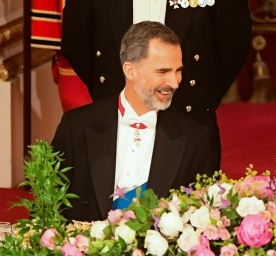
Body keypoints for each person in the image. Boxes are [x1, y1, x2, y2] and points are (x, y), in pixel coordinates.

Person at [60, 0, 252, 172]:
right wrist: (112, 94)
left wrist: (198, 99)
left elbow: (233, 44)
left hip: (189, 118)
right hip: (114, 119)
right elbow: (75, 40)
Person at [51, 21, 213, 222]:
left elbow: (199, 219)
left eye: (178, 70)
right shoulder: (76, 126)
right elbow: (49, 207)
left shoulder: (194, 137)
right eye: (163, 72)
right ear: (130, 70)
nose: (174, 82)